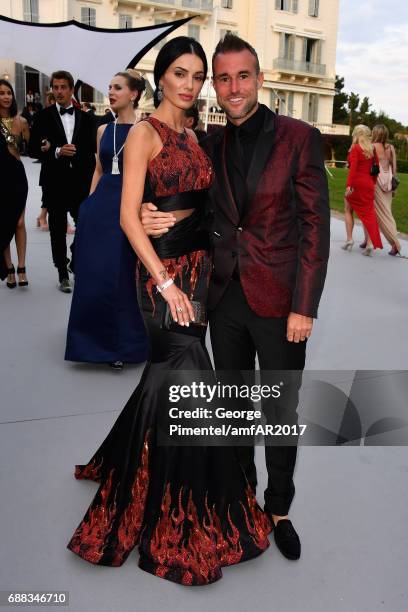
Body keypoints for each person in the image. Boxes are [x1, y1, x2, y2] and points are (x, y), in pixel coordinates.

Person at [67, 36, 271, 586]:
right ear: (160, 78)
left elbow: (207, 200)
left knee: (166, 379)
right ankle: (184, 513)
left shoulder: (194, 135)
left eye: (198, 75)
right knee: (192, 382)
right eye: (180, 73)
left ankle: (125, 463)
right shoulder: (143, 134)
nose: (191, 83)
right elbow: (130, 216)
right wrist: (164, 282)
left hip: (200, 272)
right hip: (162, 279)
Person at [141, 33, 331, 561]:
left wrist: (304, 306)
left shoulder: (299, 136)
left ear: (259, 78)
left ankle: (279, 507)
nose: (232, 87)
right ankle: (244, 497)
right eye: (221, 78)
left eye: (241, 75)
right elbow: (190, 204)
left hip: (280, 303)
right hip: (223, 300)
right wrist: (146, 214)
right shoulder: (210, 142)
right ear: (215, 88)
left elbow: (316, 228)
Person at [65, 70, 148, 370]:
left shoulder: (147, 130)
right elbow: (99, 171)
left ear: (134, 94)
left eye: (117, 87)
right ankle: (90, 345)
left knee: (124, 277)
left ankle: (124, 346)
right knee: (94, 275)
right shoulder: (103, 130)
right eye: (110, 87)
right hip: (99, 209)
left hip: (129, 208)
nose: (111, 92)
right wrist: (87, 206)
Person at [29, 70, 96, 292]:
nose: (58, 91)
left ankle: (75, 262)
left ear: (71, 90)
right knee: (57, 230)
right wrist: (56, 151)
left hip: (80, 182)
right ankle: (61, 273)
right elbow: (32, 150)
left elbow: (92, 151)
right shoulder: (42, 116)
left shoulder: (87, 119)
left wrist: (76, 153)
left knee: (85, 226)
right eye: (55, 87)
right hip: (54, 182)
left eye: (63, 87)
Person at [0, 79, 30, 288]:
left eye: (8, 92)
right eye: (1, 93)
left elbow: (33, 147)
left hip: (17, 176)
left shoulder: (22, 121)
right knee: (4, 223)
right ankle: (9, 267)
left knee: (19, 222)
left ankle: (21, 266)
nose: (6, 96)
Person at [342, 125, 383, 256]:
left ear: (355, 134)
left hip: (355, 183)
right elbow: (376, 168)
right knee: (368, 214)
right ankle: (370, 243)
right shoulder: (372, 150)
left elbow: (353, 168)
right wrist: (374, 183)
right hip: (368, 184)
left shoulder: (355, 148)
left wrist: (349, 185)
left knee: (348, 210)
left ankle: (349, 239)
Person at [368, 124, 401, 256]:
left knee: (381, 215)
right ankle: (368, 240)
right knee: (387, 212)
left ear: (375, 133)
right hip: (389, 180)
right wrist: (394, 187)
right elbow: (394, 167)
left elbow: (369, 166)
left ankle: (395, 243)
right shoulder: (391, 147)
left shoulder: (372, 146)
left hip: (377, 181)